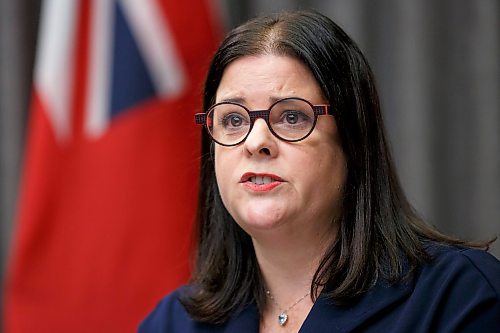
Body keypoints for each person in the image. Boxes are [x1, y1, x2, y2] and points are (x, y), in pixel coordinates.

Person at [139, 9, 500, 333]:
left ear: (352, 139)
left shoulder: (459, 296)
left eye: (292, 116)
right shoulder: (173, 323)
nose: (255, 141)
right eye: (233, 119)